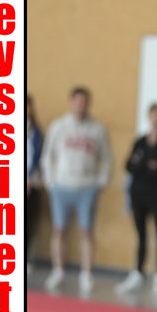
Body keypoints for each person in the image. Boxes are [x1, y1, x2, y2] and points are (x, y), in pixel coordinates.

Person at [40, 87, 113, 293]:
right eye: (78, 101)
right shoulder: (59, 126)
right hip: (61, 185)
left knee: (86, 231)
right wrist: (50, 182)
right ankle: (58, 271)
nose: (81, 105)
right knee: (59, 229)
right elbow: (48, 156)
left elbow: (107, 159)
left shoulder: (97, 129)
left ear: (89, 103)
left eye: (85, 102)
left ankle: (86, 274)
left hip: (87, 187)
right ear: (71, 102)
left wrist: (101, 182)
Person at [118, 104, 157, 297]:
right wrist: (147, 165)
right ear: (148, 117)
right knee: (141, 234)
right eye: (153, 115)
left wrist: (143, 165)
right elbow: (129, 165)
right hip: (139, 194)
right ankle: (138, 272)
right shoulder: (141, 141)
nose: (155, 119)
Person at [26, 95, 44, 271]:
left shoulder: (35, 131)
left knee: (27, 221)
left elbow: (36, 157)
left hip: (30, 182)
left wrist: (29, 178)